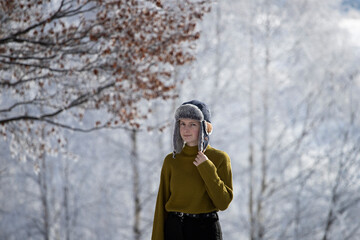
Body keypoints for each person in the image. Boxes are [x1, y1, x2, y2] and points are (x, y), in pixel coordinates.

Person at [151, 100, 233, 240]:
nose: (186, 129)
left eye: (192, 124)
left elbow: (223, 202)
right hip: (174, 229)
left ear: (204, 127)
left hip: (206, 230)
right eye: (182, 123)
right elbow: (160, 206)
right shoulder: (171, 160)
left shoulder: (219, 158)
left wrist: (206, 167)